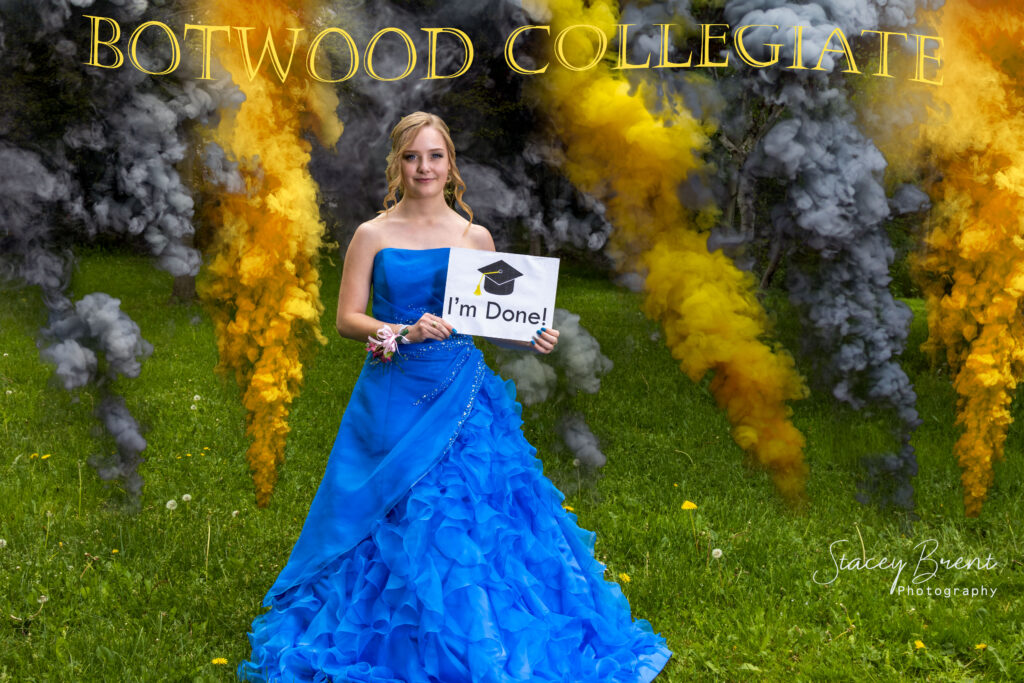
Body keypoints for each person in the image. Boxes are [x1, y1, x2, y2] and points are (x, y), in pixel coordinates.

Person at [238, 112, 671, 682]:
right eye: (413, 156)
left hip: (463, 394)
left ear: (450, 164)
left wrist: (530, 333)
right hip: (393, 391)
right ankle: (390, 629)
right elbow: (347, 319)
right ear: (398, 163)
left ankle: (478, 631)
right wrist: (402, 332)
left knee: (471, 511)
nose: (424, 167)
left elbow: (488, 314)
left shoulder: (474, 237)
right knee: (392, 507)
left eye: (435, 156)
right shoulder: (373, 234)